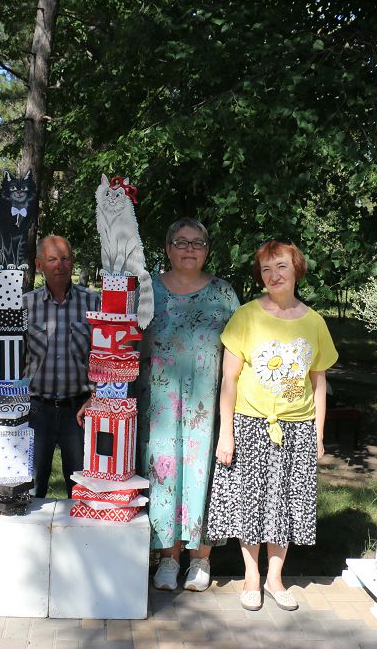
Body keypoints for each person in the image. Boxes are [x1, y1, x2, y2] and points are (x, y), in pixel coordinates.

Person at [205, 240, 337, 612]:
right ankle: (252, 577)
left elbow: (319, 383)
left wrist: (318, 434)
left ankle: (275, 578)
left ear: (296, 269)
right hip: (250, 424)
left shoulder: (314, 322)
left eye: (281, 266)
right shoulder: (246, 316)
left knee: (287, 503)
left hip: (297, 427)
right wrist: (227, 433)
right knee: (251, 502)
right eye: (266, 269)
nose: (273, 275)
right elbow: (229, 380)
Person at [137, 219, 239, 592]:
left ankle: (201, 559)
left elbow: (239, 351)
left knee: (203, 476)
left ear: (207, 250)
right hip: (159, 406)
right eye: (181, 242)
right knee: (163, 476)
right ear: (168, 248)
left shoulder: (223, 294)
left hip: (207, 406)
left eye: (197, 243)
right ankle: (168, 558)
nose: (189, 249)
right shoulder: (148, 291)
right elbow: (129, 343)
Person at [23, 235, 100, 497]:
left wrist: (95, 396)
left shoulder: (93, 303)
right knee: (31, 489)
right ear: (39, 265)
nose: (60, 265)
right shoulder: (26, 305)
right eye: (52, 259)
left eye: (65, 258)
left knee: (82, 490)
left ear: (72, 262)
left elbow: (104, 356)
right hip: (36, 410)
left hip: (79, 411)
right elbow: (17, 359)